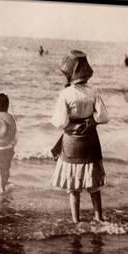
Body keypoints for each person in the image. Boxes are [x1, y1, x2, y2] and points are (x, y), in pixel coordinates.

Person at [50, 50, 109, 223]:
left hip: (72, 143)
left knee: (73, 187)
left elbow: (60, 122)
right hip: (91, 141)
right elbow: (104, 117)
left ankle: (76, 222)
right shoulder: (93, 91)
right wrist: (92, 121)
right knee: (94, 185)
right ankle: (99, 218)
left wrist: (73, 124)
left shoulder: (66, 94)